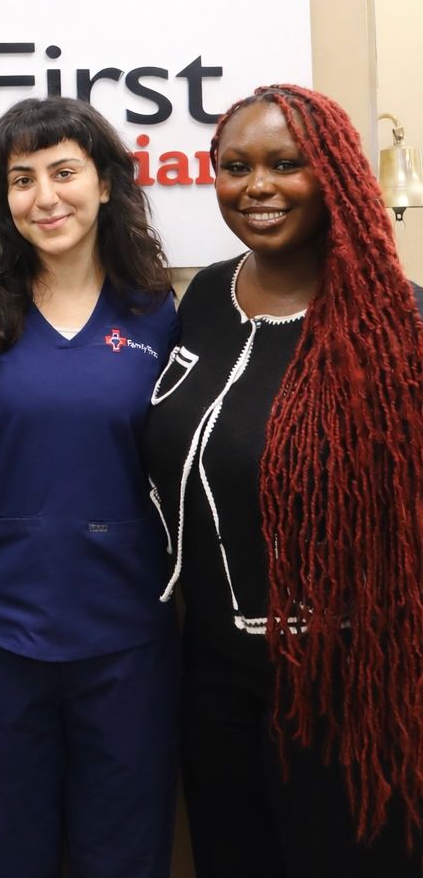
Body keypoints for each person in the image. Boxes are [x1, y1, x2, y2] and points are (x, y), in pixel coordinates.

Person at [145, 84, 423, 877]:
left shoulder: (399, 328)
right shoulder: (203, 298)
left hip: (348, 691)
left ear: (333, 172)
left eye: (285, 163)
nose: (256, 185)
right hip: (214, 678)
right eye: (235, 166)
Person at [0, 96, 180, 878]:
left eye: (64, 172)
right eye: (21, 178)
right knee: (8, 853)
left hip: (125, 636)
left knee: (125, 854)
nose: (45, 197)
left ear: (105, 183)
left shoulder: (158, 309)